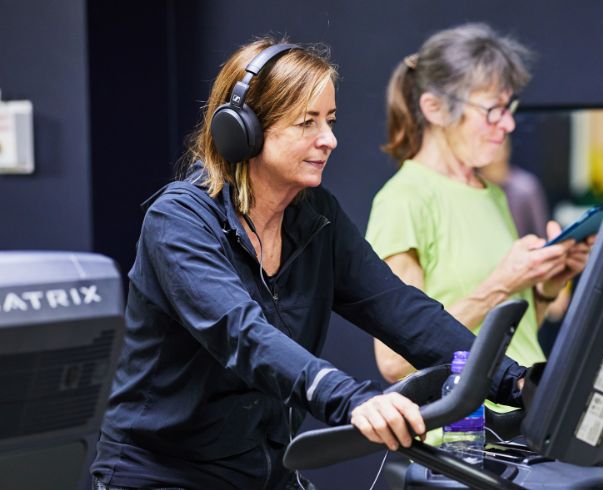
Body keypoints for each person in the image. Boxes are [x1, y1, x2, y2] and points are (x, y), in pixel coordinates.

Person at [90, 38, 526, 490]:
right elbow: (244, 335)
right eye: (307, 123)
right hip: (163, 476)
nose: (329, 139)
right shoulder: (179, 220)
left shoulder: (317, 216)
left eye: (330, 121)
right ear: (242, 129)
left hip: (266, 472)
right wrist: (352, 400)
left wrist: (513, 382)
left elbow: (400, 308)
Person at [366, 23, 593, 384]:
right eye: (493, 109)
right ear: (435, 109)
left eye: (509, 107)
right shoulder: (404, 199)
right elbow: (394, 361)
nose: (507, 124)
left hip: (521, 416)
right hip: (464, 435)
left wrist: (548, 283)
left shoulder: (491, 193)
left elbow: (508, 335)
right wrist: (502, 283)